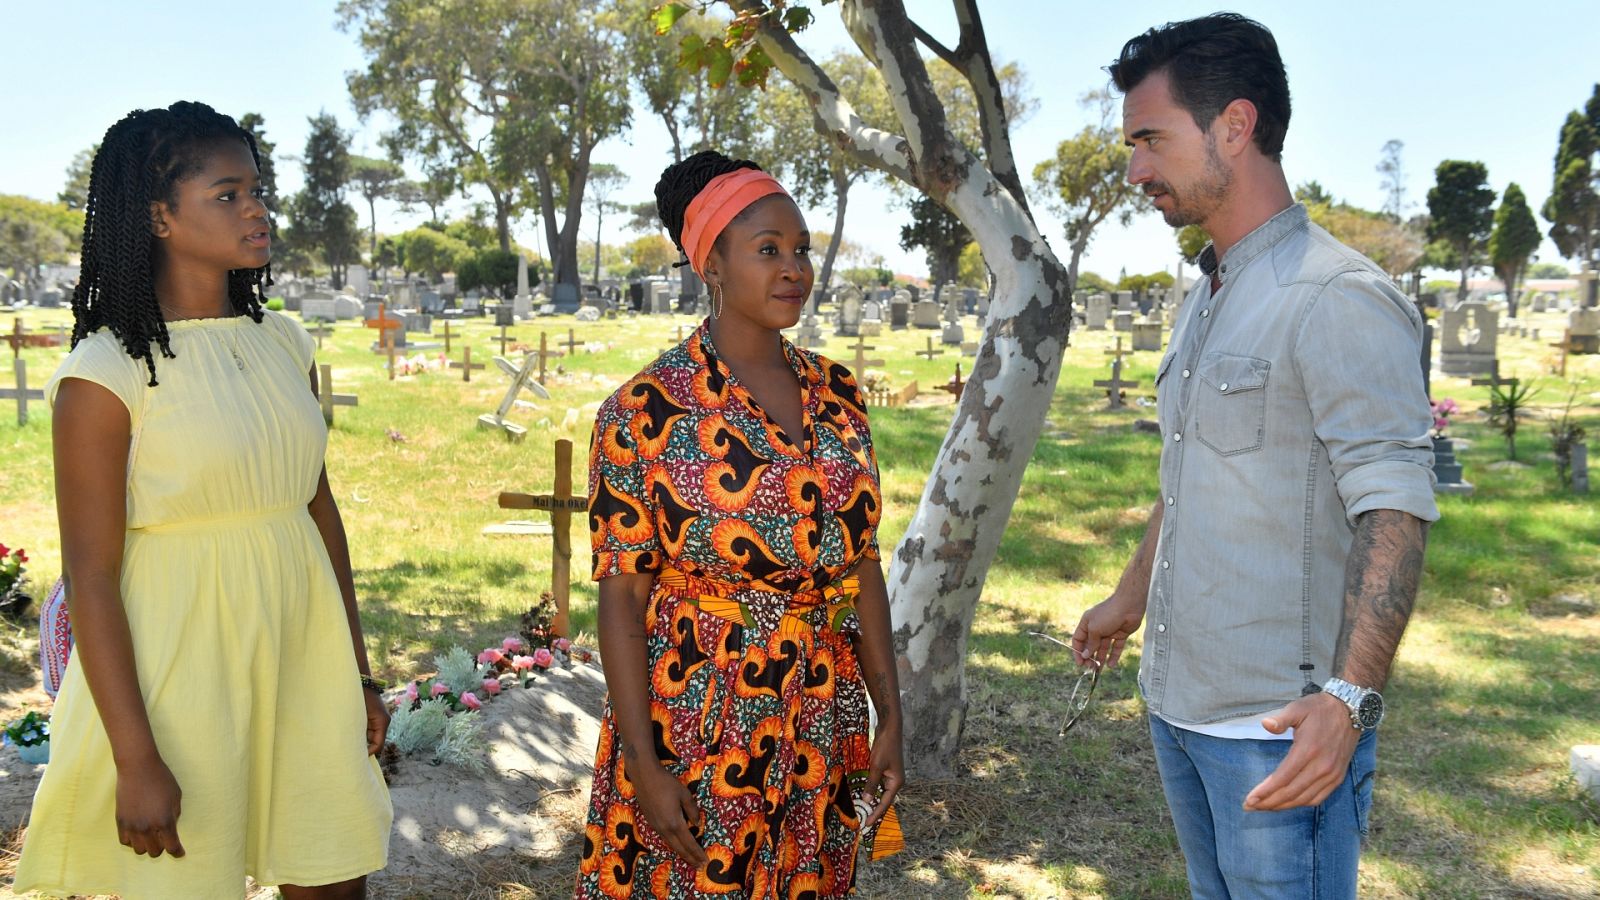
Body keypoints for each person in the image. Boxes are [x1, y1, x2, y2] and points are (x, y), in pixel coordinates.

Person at [1071, 15, 1437, 899]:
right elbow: (1192, 473)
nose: (1134, 172)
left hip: (1279, 732)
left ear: (1235, 126)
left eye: (1150, 140)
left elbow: (1395, 506)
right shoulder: (1209, 296)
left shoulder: (1337, 296)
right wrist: (1129, 595)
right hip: (1179, 707)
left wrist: (1347, 705)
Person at [15, 102, 392, 899]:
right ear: (158, 216)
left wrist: (357, 673)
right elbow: (91, 574)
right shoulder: (104, 374)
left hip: (301, 648)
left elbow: (319, 512)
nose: (257, 208)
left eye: (258, 189)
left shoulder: (285, 341)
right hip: (177, 669)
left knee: (330, 870)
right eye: (229, 194)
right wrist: (135, 756)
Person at [577, 150, 905, 899]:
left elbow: (862, 567)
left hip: (822, 709)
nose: (793, 268)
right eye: (768, 251)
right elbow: (624, 600)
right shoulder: (645, 411)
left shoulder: (841, 394)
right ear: (713, 264)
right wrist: (643, 763)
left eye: (801, 250)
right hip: (700, 714)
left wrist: (890, 716)